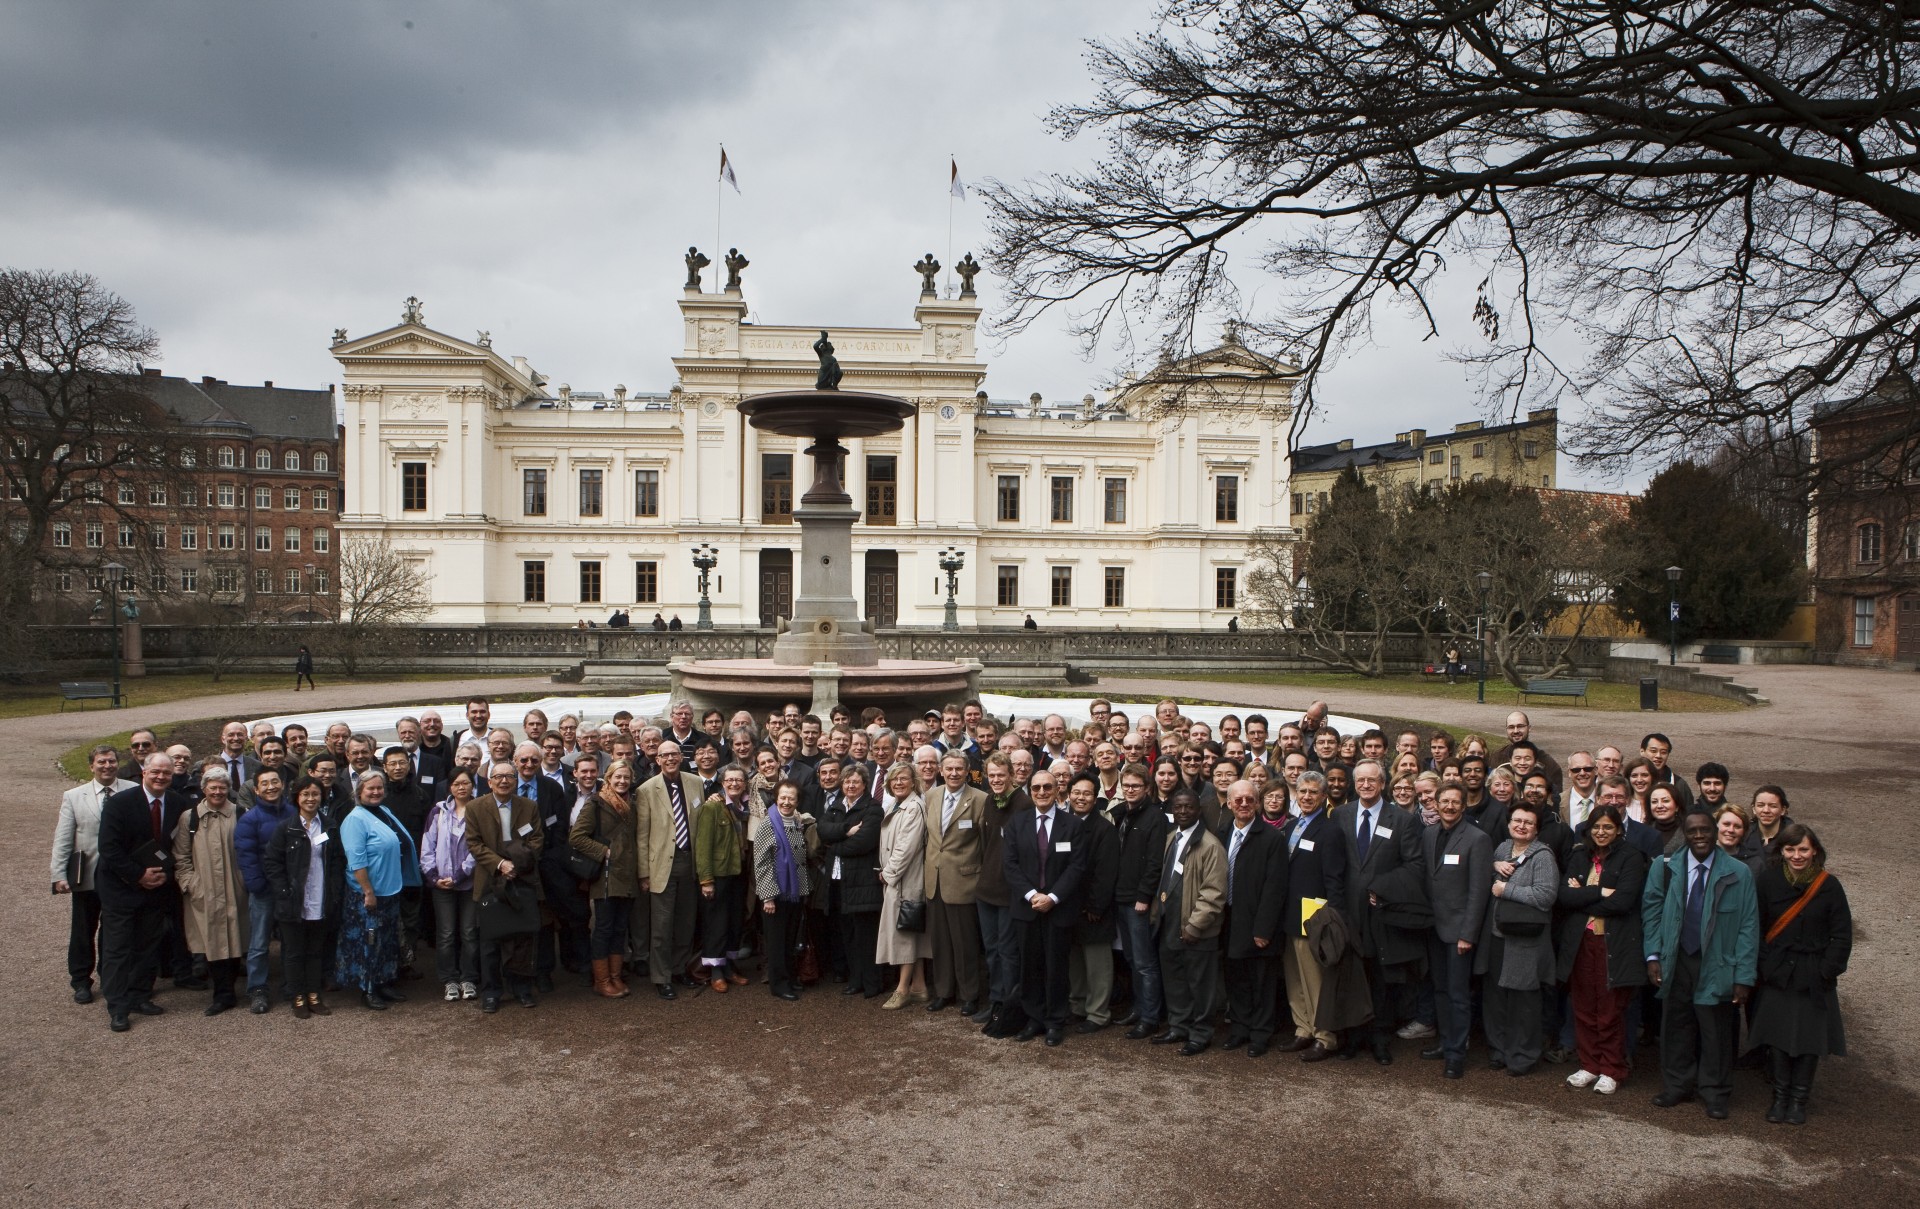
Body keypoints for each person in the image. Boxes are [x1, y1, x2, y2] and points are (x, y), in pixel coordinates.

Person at [1643, 811, 1760, 1120]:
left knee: (1716, 1030)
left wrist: (1744, 976)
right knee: (1676, 1025)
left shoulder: (1738, 873)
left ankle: (1715, 1092)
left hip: (1718, 962)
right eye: (1693, 830)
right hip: (1676, 957)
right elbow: (1651, 911)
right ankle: (1677, 1085)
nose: (1699, 836)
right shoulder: (1665, 867)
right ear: (1685, 832)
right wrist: (1653, 955)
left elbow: (1749, 926)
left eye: (1705, 830)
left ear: (1715, 831)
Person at [1748, 823, 1851, 1126]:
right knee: (1777, 1037)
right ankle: (1780, 1097)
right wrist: (1765, 964)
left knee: (1809, 1040)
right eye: (1790, 849)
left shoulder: (1829, 885)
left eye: (1803, 849)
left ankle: (1799, 1100)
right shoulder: (1768, 881)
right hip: (1778, 970)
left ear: (1814, 850)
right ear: (1781, 851)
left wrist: (1827, 970)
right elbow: (1756, 926)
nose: (1797, 855)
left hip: (1812, 973)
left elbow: (1842, 935)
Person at [1332, 758, 1424, 1064]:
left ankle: (1380, 1039)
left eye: (1372, 780)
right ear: (1354, 784)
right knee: (1351, 974)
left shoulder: (1401, 820)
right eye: (1360, 781)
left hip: (1381, 912)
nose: (1366, 785)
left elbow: (1413, 865)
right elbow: (1335, 865)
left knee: (1381, 979)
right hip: (1347, 912)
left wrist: (1383, 890)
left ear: (1382, 784)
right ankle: (1352, 1037)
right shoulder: (1342, 815)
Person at [1556, 804, 1647, 1095]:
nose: (1601, 832)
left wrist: (1582, 895)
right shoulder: (1580, 854)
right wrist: (1599, 892)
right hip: (1582, 942)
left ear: (1618, 828)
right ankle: (1589, 1064)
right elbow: (1564, 896)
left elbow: (1623, 902)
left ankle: (1611, 1068)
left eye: (1608, 826)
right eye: (1596, 827)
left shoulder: (1631, 856)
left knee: (1610, 1009)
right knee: (1582, 1005)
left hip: (1613, 943)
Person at [1003, 766, 1090, 1046]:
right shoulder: (1018, 822)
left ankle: (1055, 1021)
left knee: (1056, 967)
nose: (1042, 792)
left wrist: (1052, 897)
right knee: (1030, 966)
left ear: (1057, 791)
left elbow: (1077, 867)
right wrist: (1031, 895)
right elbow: (1010, 864)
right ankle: (1034, 1018)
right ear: (1030, 791)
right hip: (1026, 908)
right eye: (1037, 787)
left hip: (1059, 909)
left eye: (1048, 787)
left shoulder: (1073, 825)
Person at [97, 754, 185, 1031]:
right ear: (144, 772)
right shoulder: (119, 803)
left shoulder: (178, 804)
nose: (161, 777)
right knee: (118, 949)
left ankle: (140, 995)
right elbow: (109, 849)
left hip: (158, 889)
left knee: (148, 946)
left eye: (167, 773)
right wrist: (138, 875)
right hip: (120, 888)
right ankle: (118, 1006)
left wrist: (163, 876)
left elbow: (178, 849)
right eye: (156, 772)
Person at [52, 744, 134, 1004]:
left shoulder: (132, 791)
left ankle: (109, 976)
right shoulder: (74, 796)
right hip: (87, 873)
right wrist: (58, 874)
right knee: (83, 929)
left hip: (120, 875)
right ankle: (80, 980)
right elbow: (64, 838)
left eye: (111, 761)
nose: (107, 766)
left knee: (114, 930)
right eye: (101, 762)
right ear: (92, 766)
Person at [1482, 801, 1559, 1076]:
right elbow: (1489, 874)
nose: (1521, 826)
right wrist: (1494, 863)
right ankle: (1499, 1050)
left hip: (1527, 940)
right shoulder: (1502, 848)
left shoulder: (1542, 856)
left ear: (1536, 828)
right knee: (1497, 998)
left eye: (1528, 822)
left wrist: (1508, 889)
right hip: (1498, 935)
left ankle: (1523, 1055)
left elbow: (1546, 896)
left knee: (1524, 1003)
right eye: (1517, 820)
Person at [1422, 783, 1493, 1079]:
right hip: (1433, 928)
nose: (1449, 806)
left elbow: (1478, 892)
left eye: (1455, 802)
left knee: (1458, 994)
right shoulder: (1428, 834)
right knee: (1439, 990)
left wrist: (1468, 934)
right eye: (1444, 801)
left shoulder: (1478, 839)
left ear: (1464, 807)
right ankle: (1445, 1041)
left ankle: (1456, 1054)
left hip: (1459, 932)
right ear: (1436, 804)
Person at [1148, 789, 1226, 1055]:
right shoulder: (1171, 837)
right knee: (1175, 979)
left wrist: (1195, 925)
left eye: (1188, 808)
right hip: (1169, 922)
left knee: (1200, 984)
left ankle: (1200, 1033)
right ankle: (1178, 1026)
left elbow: (1214, 892)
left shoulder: (1210, 845)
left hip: (1196, 928)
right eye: (1178, 807)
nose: (1183, 812)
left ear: (1198, 810)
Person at [337, 772, 421, 1012]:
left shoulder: (384, 812)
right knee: (369, 940)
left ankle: (384, 982)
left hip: (390, 890)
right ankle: (368, 988)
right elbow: (356, 860)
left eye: (379, 788)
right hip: (367, 893)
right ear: (359, 791)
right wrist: (367, 891)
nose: (375, 792)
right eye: (370, 789)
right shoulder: (355, 819)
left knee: (387, 940)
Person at [1279, 771, 1347, 1061]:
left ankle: (1325, 1036)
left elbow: (1335, 879)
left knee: (1316, 980)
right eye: (1302, 791)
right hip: (1289, 914)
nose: (1306, 797)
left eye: (1313, 793)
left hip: (1315, 918)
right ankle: (1303, 1028)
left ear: (1323, 797)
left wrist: (1333, 918)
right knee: (1294, 978)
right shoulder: (1291, 825)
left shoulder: (1330, 831)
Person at [1219, 779, 1288, 1057]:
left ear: (1257, 803)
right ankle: (1240, 1029)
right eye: (1238, 800)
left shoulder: (1272, 839)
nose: (1244, 804)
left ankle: (1260, 1034)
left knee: (1261, 981)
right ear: (1230, 803)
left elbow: (1275, 887)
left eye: (1249, 799)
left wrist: (1264, 929)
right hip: (1229, 919)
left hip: (1258, 921)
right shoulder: (1222, 832)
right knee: (1236, 978)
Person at [263, 776, 342, 1019]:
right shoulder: (286, 828)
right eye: (305, 794)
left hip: (320, 896)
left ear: (322, 797)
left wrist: (335, 889)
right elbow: (272, 862)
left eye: (315, 794)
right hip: (293, 900)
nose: (310, 799)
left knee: (315, 951)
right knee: (294, 952)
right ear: (297, 797)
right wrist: (284, 891)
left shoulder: (329, 826)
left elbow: (338, 860)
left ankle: (313, 995)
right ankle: (297, 996)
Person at [171, 769, 248, 1016]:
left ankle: (230, 991)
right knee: (212, 941)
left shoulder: (239, 813)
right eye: (212, 788)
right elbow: (180, 855)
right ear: (204, 789)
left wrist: (244, 882)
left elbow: (249, 851)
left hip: (234, 888)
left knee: (235, 939)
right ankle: (221, 994)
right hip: (204, 889)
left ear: (228, 789)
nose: (217, 792)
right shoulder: (189, 818)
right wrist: (189, 883)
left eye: (222, 787)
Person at [467, 765, 543, 1012]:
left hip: (521, 880)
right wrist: (500, 864)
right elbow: (474, 843)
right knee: (490, 942)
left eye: (509, 776)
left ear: (516, 780)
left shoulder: (528, 806)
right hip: (489, 881)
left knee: (522, 939)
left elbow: (536, 840)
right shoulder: (475, 807)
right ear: (489, 782)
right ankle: (491, 992)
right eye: (498, 777)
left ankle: (521, 988)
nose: (504, 781)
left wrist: (516, 866)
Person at [635, 740, 707, 999]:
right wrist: (644, 873)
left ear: (681, 756)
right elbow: (642, 835)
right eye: (664, 755)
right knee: (662, 926)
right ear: (658, 760)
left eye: (674, 754)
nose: (669, 759)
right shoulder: (646, 790)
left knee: (685, 923)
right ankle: (662, 977)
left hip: (690, 863)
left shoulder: (695, 782)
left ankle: (679, 969)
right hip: (661, 866)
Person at [923, 751, 989, 1015]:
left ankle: (970, 994)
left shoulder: (980, 799)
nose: (953, 774)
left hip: (964, 881)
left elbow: (985, 844)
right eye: (948, 769)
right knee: (939, 942)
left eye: (958, 769)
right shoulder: (931, 796)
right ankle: (943, 991)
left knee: (965, 943)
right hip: (934, 880)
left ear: (967, 771)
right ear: (941, 770)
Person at [571, 760, 641, 998]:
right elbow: (577, 837)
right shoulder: (596, 803)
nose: (622, 781)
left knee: (620, 928)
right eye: (617, 777)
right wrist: (604, 852)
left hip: (628, 874)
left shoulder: (633, 803)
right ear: (608, 778)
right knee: (604, 928)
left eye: (626, 777)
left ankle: (615, 976)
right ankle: (601, 980)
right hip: (606, 876)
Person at [817, 762, 885, 999]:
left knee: (865, 935)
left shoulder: (873, 809)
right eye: (847, 781)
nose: (851, 785)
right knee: (847, 934)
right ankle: (855, 980)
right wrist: (846, 830)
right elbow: (821, 830)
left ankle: (872, 983)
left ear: (865, 784)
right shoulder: (835, 807)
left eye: (856, 781)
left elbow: (864, 842)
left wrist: (834, 844)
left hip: (862, 883)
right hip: (838, 882)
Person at [232, 766, 293, 1013]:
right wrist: (257, 885)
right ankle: (258, 988)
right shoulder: (250, 819)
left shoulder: (294, 812)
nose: (271, 787)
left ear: (283, 784)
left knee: (291, 939)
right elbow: (246, 856)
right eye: (265, 783)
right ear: (256, 789)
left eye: (275, 781)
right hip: (264, 889)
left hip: (290, 888)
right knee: (259, 942)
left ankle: (291, 983)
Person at [1064, 773, 1120, 1033]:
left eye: (1087, 793)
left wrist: (1096, 906)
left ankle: (1097, 1013)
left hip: (1094, 909)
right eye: (1076, 792)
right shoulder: (1065, 824)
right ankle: (1077, 1006)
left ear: (1095, 797)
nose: (1081, 798)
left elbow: (1106, 872)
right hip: (1068, 907)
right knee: (1075, 962)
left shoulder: (1103, 829)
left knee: (1097, 964)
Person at [753, 781, 818, 1000]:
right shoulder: (768, 824)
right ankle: (778, 984)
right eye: (783, 797)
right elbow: (762, 863)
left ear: (797, 801)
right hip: (776, 894)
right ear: (776, 798)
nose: (786, 802)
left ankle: (790, 977)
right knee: (776, 941)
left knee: (790, 938)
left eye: (791, 798)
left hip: (796, 890)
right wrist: (768, 897)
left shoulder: (798, 821)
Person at [421, 767, 481, 1002]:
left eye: (466, 783)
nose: (462, 787)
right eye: (457, 783)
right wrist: (434, 877)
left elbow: (479, 848)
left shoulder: (479, 809)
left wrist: (459, 875)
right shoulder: (438, 811)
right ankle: (449, 980)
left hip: (469, 883)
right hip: (441, 885)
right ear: (450, 787)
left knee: (469, 932)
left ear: (472, 786)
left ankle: (468, 978)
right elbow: (427, 845)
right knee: (445, 934)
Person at [876, 761, 930, 1008]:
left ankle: (902, 988)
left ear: (913, 781)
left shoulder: (913, 807)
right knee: (910, 929)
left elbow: (906, 847)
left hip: (906, 878)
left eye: (904, 778)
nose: (898, 782)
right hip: (900, 878)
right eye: (894, 779)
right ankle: (919, 985)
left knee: (905, 933)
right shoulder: (896, 804)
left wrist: (888, 873)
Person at [693, 782, 750, 993]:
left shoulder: (746, 807)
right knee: (716, 922)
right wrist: (706, 879)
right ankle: (715, 969)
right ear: (723, 783)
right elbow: (703, 845)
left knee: (734, 921)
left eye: (739, 779)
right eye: (730, 780)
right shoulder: (712, 807)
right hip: (718, 873)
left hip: (738, 872)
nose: (734, 783)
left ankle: (729, 965)